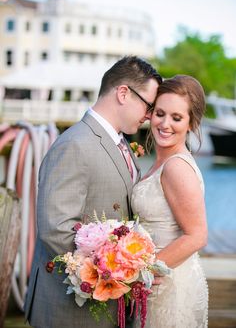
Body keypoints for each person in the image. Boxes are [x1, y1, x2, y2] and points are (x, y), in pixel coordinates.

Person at [24, 56, 162, 328]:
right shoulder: (74, 144)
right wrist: (122, 270)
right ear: (123, 93)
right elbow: (56, 228)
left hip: (107, 300)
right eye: (148, 105)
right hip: (71, 309)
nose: (149, 115)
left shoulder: (119, 142)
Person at [131, 75, 208, 327]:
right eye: (160, 113)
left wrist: (141, 274)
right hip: (158, 280)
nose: (165, 124)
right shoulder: (162, 161)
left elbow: (196, 236)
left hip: (166, 285)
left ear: (191, 123)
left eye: (176, 118)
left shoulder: (176, 167)